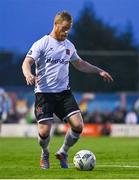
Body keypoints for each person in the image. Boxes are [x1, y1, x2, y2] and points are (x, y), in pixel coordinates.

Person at [22, 11, 113, 169]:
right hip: (44, 94)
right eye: (64, 28)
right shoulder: (42, 43)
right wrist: (28, 74)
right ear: (56, 25)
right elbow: (26, 62)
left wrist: (99, 71)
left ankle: (63, 152)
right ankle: (45, 153)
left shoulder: (68, 46)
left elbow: (80, 63)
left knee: (78, 125)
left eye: (69, 29)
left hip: (64, 93)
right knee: (44, 132)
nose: (66, 32)